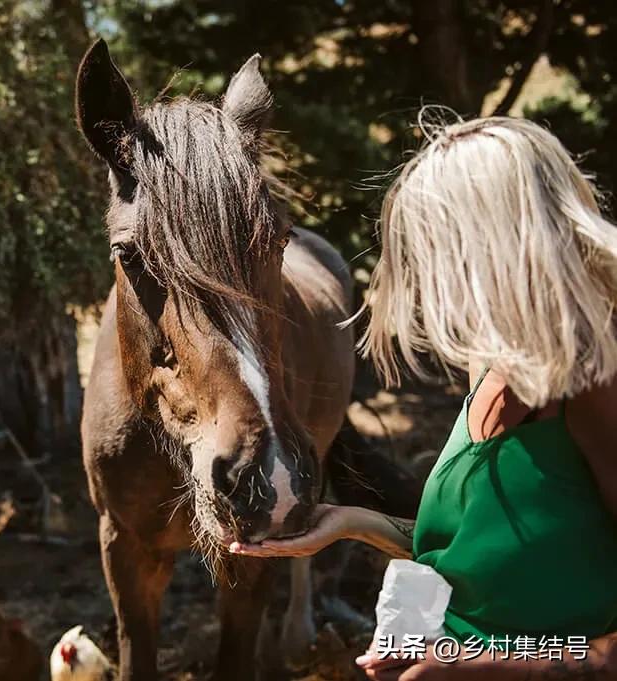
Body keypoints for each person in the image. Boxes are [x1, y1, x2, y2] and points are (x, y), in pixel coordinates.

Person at [230, 115, 617, 680]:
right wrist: (351, 522)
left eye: (439, 252)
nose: (432, 284)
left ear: (506, 243)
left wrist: (505, 665)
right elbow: (486, 549)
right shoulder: (494, 366)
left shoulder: (595, 379)